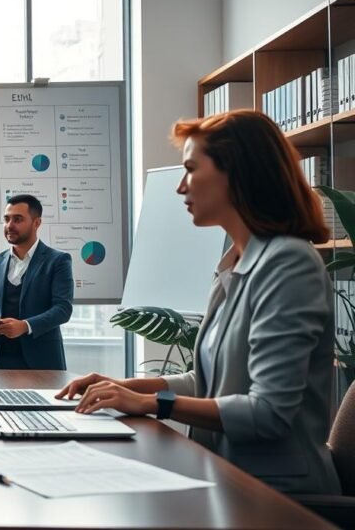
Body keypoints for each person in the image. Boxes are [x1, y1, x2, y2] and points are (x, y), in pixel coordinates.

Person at [57, 110, 340, 495]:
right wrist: (123, 386)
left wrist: (152, 404)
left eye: (191, 169)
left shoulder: (289, 264)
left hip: (279, 496)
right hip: (228, 478)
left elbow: (268, 412)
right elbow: (208, 383)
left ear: (237, 173)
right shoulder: (235, 263)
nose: (180, 187)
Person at [0, 194, 73, 370]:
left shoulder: (58, 260)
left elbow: (62, 309)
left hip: (42, 362)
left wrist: (25, 326)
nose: (9, 225)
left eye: (17, 219)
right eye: (6, 219)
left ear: (37, 223)